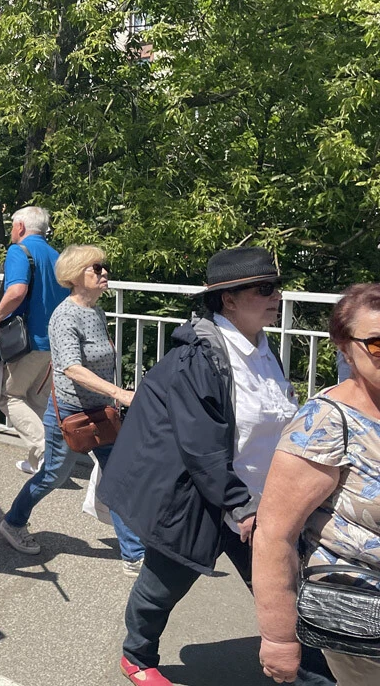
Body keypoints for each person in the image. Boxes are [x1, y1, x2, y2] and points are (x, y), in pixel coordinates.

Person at [99, 248, 332, 686]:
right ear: (228, 299)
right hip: (205, 498)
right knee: (162, 585)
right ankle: (136, 654)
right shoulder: (201, 357)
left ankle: (316, 675)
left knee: (285, 594)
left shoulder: (263, 350)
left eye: (276, 287)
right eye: (264, 289)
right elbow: (200, 444)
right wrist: (239, 505)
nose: (275, 296)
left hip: (260, 500)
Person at [254, 284, 380, 686]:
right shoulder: (325, 423)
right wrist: (278, 638)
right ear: (346, 349)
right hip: (366, 618)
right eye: (377, 344)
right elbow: (274, 534)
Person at [0, 246, 145, 574]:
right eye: (97, 268)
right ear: (77, 275)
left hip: (101, 412)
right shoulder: (64, 316)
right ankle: (13, 521)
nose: (104, 273)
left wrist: (112, 398)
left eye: (104, 267)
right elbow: (71, 368)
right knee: (52, 475)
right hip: (71, 413)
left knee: (118, 477)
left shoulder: (96, 312)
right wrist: (118, 392)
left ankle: (134, 554)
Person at [0, 206, 68, 474]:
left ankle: (46, 454)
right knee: (36, 399)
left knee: (8, 396)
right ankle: (37, 462)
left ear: (20, 226)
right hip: (53, 343)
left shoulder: (19, 251)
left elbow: (17, 291)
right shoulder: (57, 256)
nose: (11, 231)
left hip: (27, 343)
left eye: (12, 226)